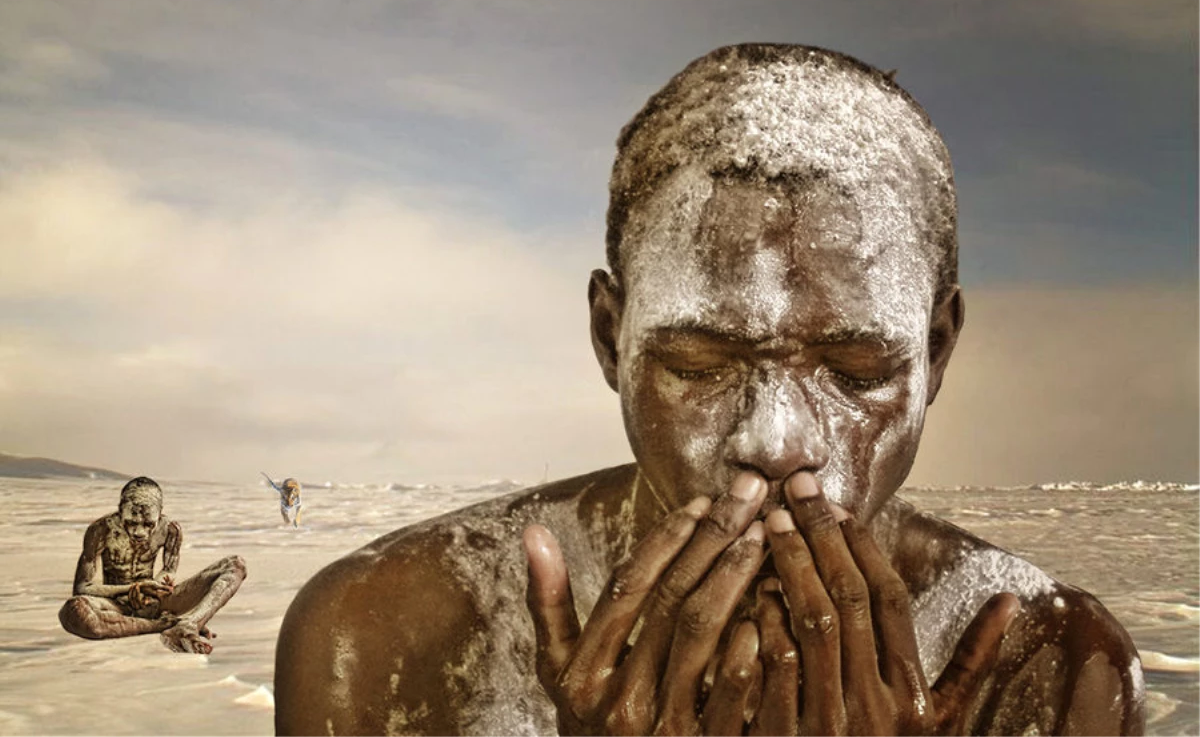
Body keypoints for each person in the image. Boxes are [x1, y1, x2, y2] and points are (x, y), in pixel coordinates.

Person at [274, 44, 1143, 736]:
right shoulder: (380, 638)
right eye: (696, 364)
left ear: (937, 353)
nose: (775, 439)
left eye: (856, 374)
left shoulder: (1054, 668)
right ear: (611, 337)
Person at [59, 476, 247, 654]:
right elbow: (82, 588)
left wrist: (156, 588)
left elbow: (169, 571)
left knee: (235, 565)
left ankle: (190, 624)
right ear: (120, 509)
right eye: (131, 523)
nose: (139, 532)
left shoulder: (170, 529)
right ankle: (162, 626)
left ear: (160, 513)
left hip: (155, 603)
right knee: (74, 612)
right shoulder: (100, 530)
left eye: (149, 524)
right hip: (114, 604)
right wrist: (132, 589)